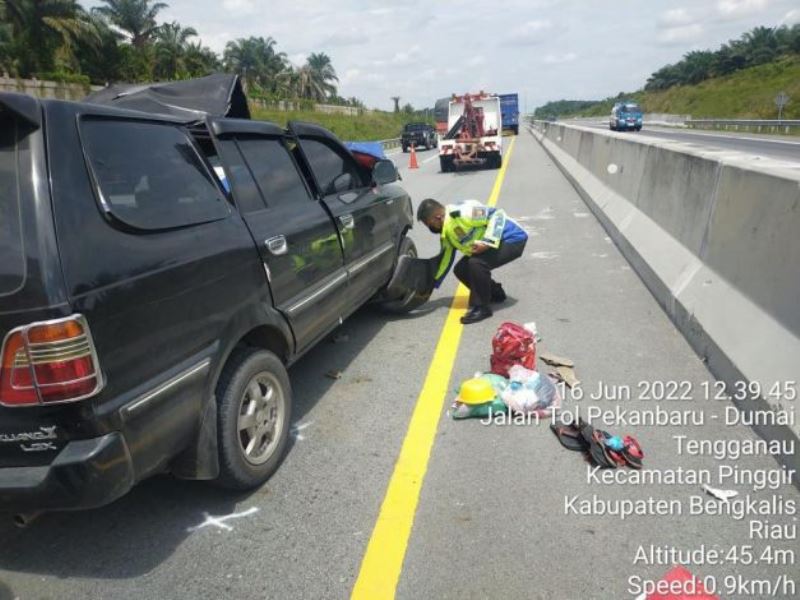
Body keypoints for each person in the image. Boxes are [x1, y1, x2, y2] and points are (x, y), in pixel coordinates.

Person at [417, 198, 528, 324]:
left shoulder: (463, 213)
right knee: (461, 269)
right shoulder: (447, 228)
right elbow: (445, 259)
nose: (429, 228)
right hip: (492, 244)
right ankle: (495, 293)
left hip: (512, 238)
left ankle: (482, 307)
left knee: (476, 263)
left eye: (429, 224)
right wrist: (432, 283)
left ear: (437, 217)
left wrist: (488, 242)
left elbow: (496, 214)